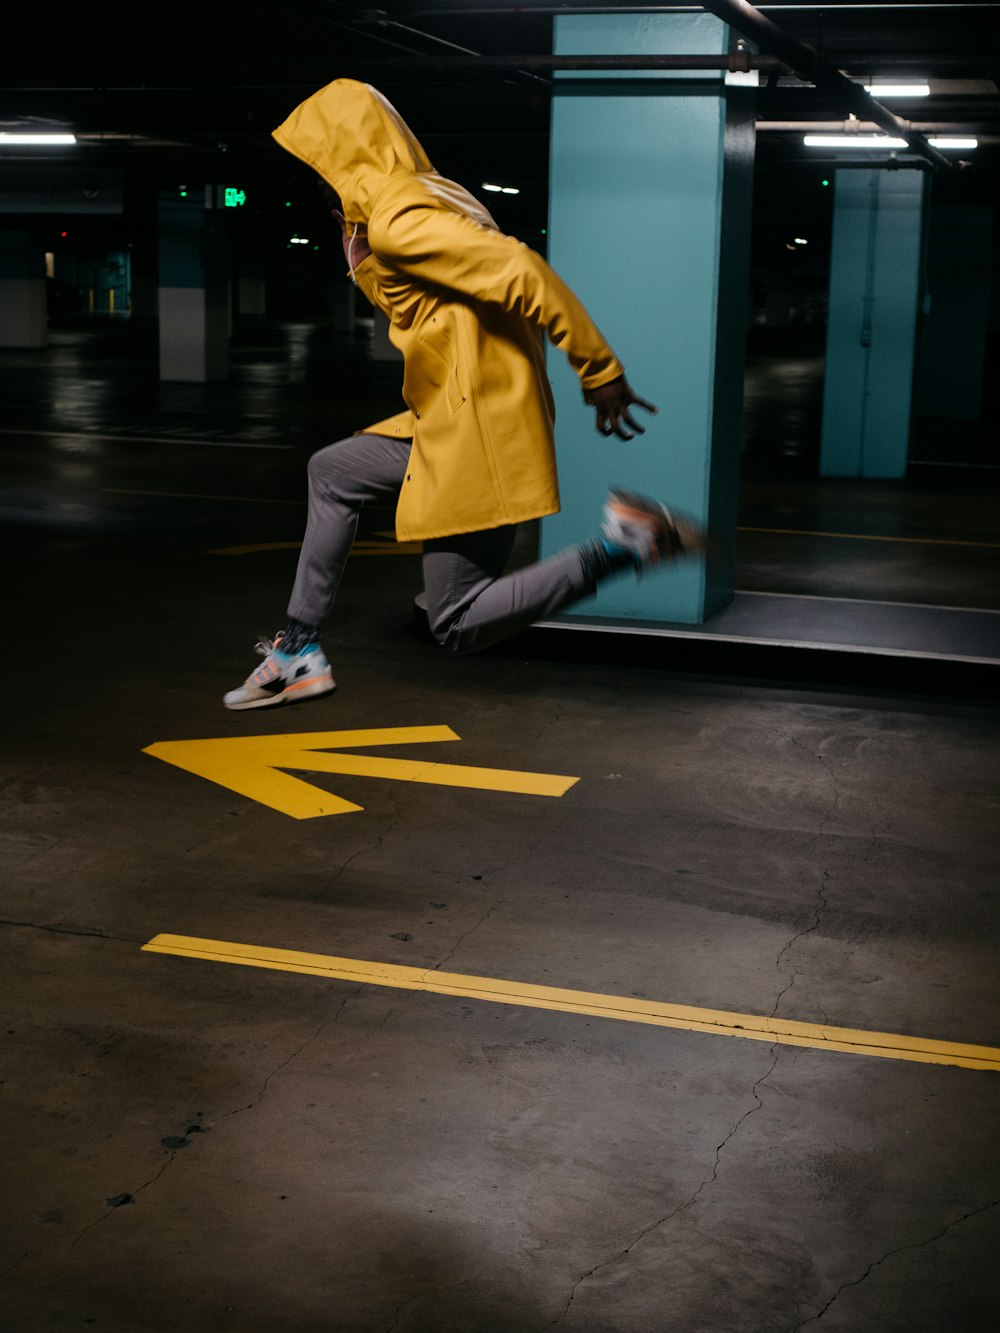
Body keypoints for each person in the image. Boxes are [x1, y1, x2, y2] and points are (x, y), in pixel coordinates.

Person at [224, 78, 705, 711]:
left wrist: (599, 370)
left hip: (478, 427)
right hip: (452, 414)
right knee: (333, 472)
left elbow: (523, 271)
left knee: (455, 621)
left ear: (343, 159)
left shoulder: (398, 219)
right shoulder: (427, 197)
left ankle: (622, 547)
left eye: (321, 166)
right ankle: (298, 650)